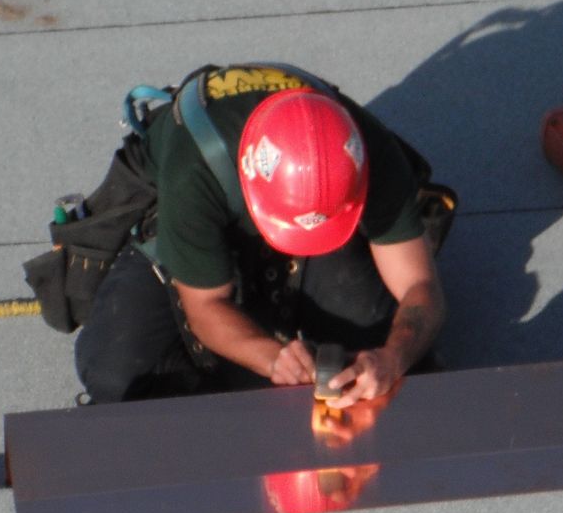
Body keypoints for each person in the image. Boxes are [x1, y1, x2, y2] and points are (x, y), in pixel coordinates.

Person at [74, 64, 448, 407]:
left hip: (313, 211)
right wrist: (271, 360)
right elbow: (205, 306)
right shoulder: (194, 172)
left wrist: (391, 358)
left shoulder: (371, 152)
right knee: (114, 374)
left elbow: (419, 285)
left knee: (390, 342)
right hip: (200, 207)